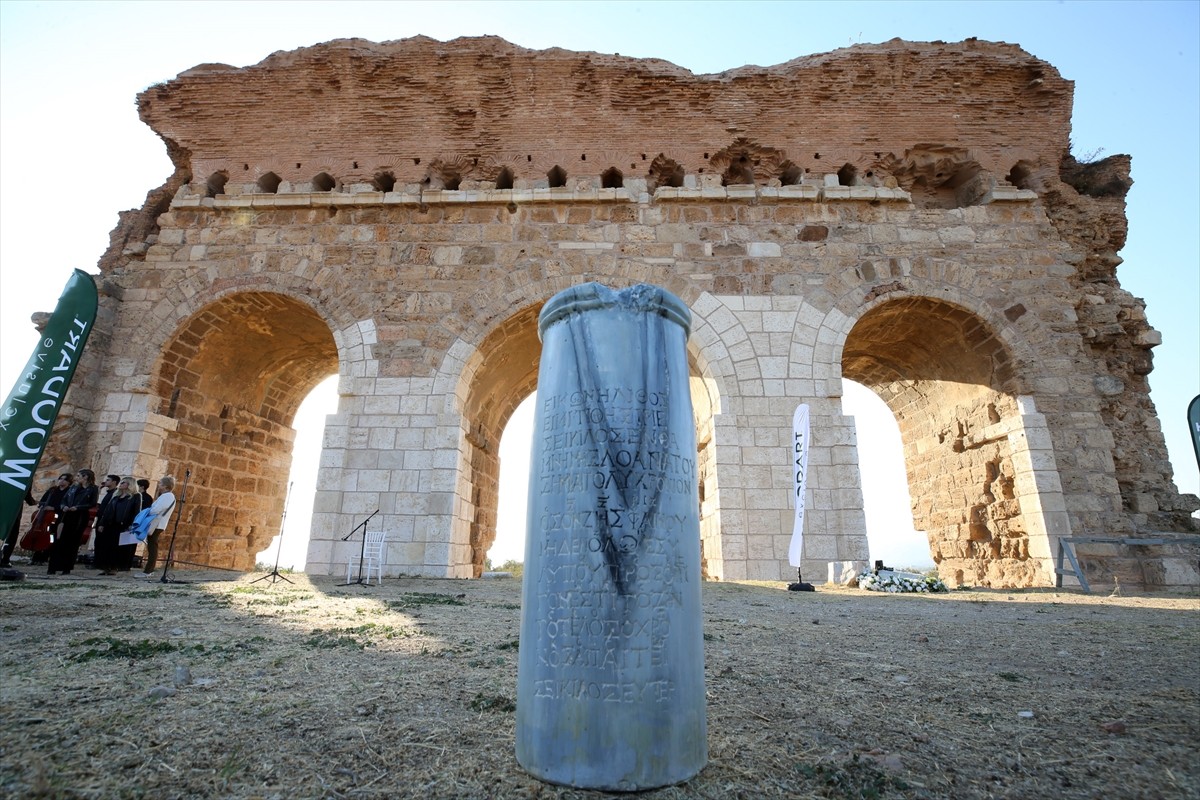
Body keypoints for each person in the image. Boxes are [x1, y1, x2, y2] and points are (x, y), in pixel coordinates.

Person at [48, 469, 99, 575]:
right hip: (67, 515)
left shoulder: (93, 489)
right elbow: (64, 500)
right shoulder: (73, 487)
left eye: (79, 475)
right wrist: (64, 506)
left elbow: (92, 503)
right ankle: (53, 567)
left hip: (79, 516)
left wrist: (78, 507)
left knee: (73, 542)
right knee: (59, 540)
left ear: (85, 477)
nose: (77, 477)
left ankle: (66, 567)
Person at [94, 478, 140, 575]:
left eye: (123, 482)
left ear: (130, 484)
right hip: (110, 523)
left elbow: (136, 512)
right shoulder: (116, 496)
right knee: (107, 546)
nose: (121, 484)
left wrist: (133, 525)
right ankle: (106, 567)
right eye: (121, 482)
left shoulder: (135, 496)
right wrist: (102, 523)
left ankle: (114, 567)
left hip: (123, 524)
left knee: (118, 548)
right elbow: (107, 510)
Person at [135, 475, 176, 579]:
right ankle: (149, 569)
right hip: (158, 524)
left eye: (161, 484)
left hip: (158, 524)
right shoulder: (166, 496)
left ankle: (148, 570)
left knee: (152, 546)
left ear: (166, 486)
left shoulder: (167, 496)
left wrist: (147, 512)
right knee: (152, 545)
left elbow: (156, 509)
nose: (159, 485)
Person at [28, 473, 72, 566]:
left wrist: (54, 508)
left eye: (64, 479)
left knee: (52, 537)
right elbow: (43, 501)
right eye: (60, 479)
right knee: (41, 535)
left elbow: (67, 504)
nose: (61, 481)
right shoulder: (52, 490)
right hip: (46, 516)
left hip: (58, 516)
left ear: (69, 482)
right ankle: (36, 557)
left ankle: (45, 557)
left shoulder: (69, 492)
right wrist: (42, 504)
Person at [0, 487, 37, 568]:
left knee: (12, 534)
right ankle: (5, 560)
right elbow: (26, 494)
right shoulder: (26, 475)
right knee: (12, 534)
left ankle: (5, 559)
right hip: (13, 510)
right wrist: (33, 502)